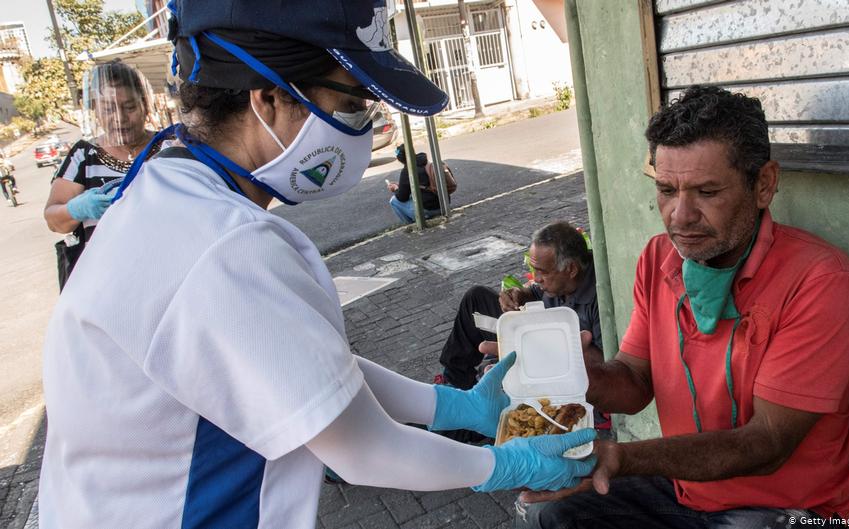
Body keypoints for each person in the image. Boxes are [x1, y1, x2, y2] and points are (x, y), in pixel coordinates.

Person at [39, 2, 597, 527]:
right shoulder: (223, 244)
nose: (361, 123)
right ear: (268, 98)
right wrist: (504, 465)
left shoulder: (167, 191)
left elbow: (309, 368)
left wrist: (453, 404)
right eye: (351, 102)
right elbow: (363, 447)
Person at [514, 86, 849, 528]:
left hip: (789, 506)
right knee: (551, 515)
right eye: (666, 189)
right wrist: (572, 372)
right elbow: (634, 383)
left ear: (763, 185)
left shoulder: (821, 280)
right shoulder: (658, 259)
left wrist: (617, 458)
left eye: (706, 191)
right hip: (689, 487)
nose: (680, 215)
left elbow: (767, 443)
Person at [438, 221, 602, 391]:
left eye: (542, 272)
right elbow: (536, 292)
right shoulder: (558, 282)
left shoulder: (600, 297)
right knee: (476, 299)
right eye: (534, 270)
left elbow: (604, 360)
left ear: (571, 269)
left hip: (558, 358)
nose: (536, 278)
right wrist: (519, 294)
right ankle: (455, 383)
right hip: (534, 335)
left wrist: (549, 342)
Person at [43, 61, 161, 286]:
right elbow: (54, 221)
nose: (120, 118)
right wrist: (76, 208)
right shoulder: (83, 156)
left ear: (144, 104)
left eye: (129, 107)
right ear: (96, 111)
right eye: (108, 109)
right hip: (109, 285)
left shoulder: (170, 146)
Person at [386, 143, 443, 222]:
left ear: (400, 159)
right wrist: (401, 185)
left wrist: (395, 188)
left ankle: (412, 224)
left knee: (394, 201)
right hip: (442, 204)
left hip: (429, 209)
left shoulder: (407, 171)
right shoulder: (426, 162)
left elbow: (402, 197)